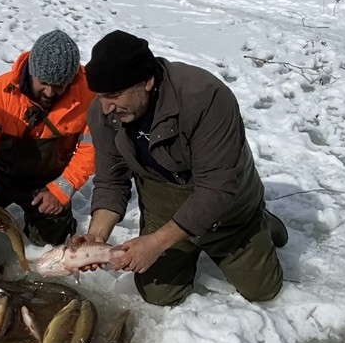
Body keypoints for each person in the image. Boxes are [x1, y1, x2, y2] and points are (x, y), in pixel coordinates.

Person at [75, 30, 289, 306]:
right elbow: (111, 181)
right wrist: (96, 238)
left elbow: (216, 188)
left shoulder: (205, 97)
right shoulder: (103, 113)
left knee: (263, 291)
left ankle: (259, 219)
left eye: (114, 95)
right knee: (158, 295)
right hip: (164, 202)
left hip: (227, 209)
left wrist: (156, 243)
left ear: (147, 81)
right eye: (100, 96)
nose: (106, 108)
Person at [0, 30, 95, 246]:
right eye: (43, 82)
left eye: (59, 86)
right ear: (31, 71)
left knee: (53, 238)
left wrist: (61, 189)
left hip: (45, 181)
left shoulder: (89, 98)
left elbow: (90, 151)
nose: (49, 93)